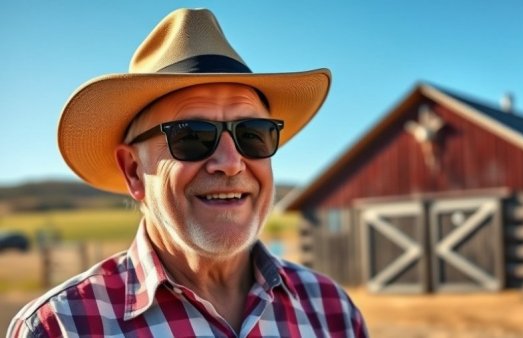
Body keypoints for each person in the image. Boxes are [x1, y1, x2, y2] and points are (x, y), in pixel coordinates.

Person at [7, 8, 368, 338]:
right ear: (133, 171)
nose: (230, 162)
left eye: (252, 135)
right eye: (192, 136)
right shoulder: (61, 326)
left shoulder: (332, 312)